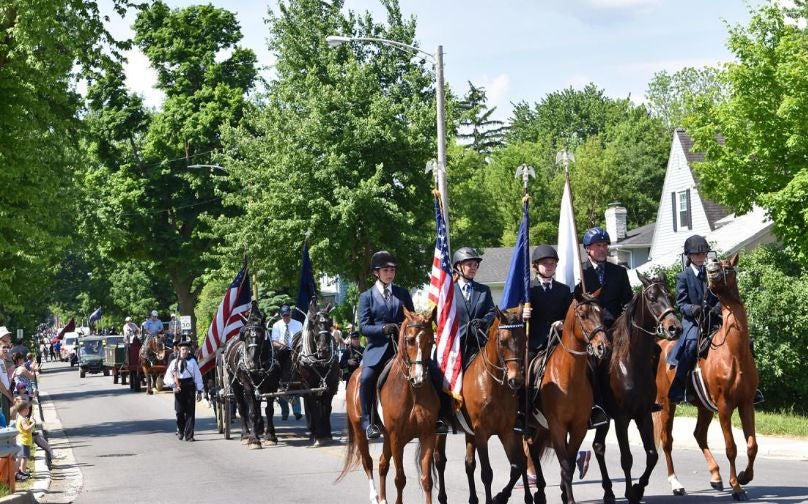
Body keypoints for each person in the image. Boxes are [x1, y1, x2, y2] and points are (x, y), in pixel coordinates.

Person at [358, 250, 449, 440]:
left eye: (392, 270)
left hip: (405, 347)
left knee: (435, 371)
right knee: (366, 378)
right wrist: (383, 329)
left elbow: (413, 318)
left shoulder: (402, 293)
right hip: (378, 348)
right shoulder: (366, 296)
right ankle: (368, 422)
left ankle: (441, 417)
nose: (390, 274)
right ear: (376, 273)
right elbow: (364, 327)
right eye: (386, 270)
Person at [667, 235, 764, 404]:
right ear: (689, 256)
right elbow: (681, 304)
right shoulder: (683, 276)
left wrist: (718, 308)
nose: (701, 257)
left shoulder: (714, 272)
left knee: (745, 341)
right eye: (697, 254)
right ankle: (679, 387)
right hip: (694, 321)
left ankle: (751, 387)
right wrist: (693, 309)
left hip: (715, 317)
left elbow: (722, 293)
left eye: (703, 253)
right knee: (690, 345)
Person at [580, 227, 632, 429]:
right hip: (591, 330)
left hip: (617, 328)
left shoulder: (619, 272)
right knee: (591, 364)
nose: (602, 249)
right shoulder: (581, 273)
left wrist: (624, 322)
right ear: (588, 249)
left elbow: (627, 302)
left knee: (650, 351)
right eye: (598, 246)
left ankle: (645, 397)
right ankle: (595, 405)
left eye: (605, 245)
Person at [518, 245, 573, 434]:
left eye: (552, 263)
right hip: (534, 342)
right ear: (536, 266)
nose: (549, 266)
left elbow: (572, 317)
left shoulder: (564, 290)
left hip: (559, 341)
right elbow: (512, 313)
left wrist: (563, 323)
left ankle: (594, 408)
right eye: (545, 263)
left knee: (587, 366)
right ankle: (521, 412)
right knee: (521, 372)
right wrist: (522, 313)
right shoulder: (527, 289)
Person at [451, 247, 496, 366]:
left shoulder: (484, 290)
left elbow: (492, 312)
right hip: (455, 344)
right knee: (435, 371)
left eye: (475, 265)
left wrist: (483, 321)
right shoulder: (448, 291)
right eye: (469, 264)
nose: (473, 268)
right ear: (458, 267)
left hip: (478, 343)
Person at [163, 338, 203, 441]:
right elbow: (167, 377)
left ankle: (189, 436)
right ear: (179, 350)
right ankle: (181, 430)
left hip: (190, 386)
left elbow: (198, 376)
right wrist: (173, 386)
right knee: (179, 412)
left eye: (186, 349)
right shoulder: (174, 362)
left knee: (190, 412)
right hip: (178, 387)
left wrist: (199, 390)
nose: (185, 351)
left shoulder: (192, 361)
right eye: (183, 349)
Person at [270, 305, 303, 420]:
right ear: (281, 315)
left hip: (295, 352)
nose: (286, 317)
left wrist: (295, 347)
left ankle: (297, 411)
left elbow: (302, 339)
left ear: (290, 314)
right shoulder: (276, 325)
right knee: (280, 380)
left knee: (295, 380)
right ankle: (285, 412)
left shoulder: (298, 324)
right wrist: (281, 345)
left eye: (287, 315)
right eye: (284, 315)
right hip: (282, 353)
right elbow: (274, 341)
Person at [13, 400, 33, 482]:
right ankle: (22, 472)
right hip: (24, 441)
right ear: (23, 410)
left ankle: (20, 472)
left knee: (22, 457)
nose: (28, 410)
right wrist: (33, 423)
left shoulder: (19, 417)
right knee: (24, 457)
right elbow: (27, 429)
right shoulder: (23, 420)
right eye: (27, 409)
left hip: (21, 440)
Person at [0, 339, 15, 426]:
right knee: (4, 420)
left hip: (6, 393)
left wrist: (10, 395)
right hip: (2, 394)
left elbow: (5, 381)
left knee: (7, 418)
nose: (6, 349)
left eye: (7, 347)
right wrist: (9, 397)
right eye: (3, 347)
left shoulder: (3, 361)